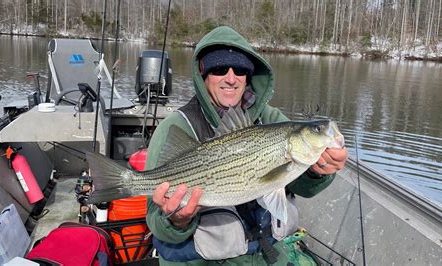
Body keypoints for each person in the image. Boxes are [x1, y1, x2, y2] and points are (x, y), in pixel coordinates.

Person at [144, 26, 348, 265]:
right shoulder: (176, 126)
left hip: (269, 256)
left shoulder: (272, 120)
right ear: (203, 73)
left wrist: (317, 172)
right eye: (219, 69)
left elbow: (303, 188)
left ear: (248, 75)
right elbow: (158, 226)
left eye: (240, 70)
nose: (231, 79)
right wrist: (176, 221)